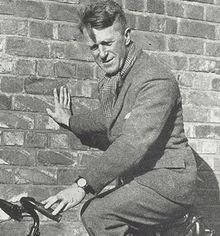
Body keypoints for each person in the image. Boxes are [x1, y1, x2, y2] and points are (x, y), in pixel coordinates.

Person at [42, 0, 197, 235]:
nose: (102, 54)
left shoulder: (154, 79)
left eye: (107, 43)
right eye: (94, 47)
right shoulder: (115, 79)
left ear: (126, 36)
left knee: (97, 213)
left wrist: (82, 186)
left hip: (167, 182)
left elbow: (133, 143)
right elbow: (106, 119)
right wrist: (69, 121)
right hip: (142, 179)